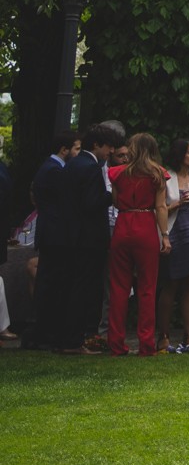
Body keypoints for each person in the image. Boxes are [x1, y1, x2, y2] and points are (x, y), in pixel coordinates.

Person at [51, 123, 123, 353]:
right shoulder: (91, 168)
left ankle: (64, 338)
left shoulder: (73, 165)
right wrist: (110, 196)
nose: (111, 151)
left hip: (71, 236)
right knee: (83, 289)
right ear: (97, 145)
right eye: (109, 146)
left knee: (69, 286)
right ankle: (74, 340)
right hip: (88, 238)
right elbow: (91, 204)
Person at [105, 132, 170, 357]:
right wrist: (165, 235)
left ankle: (116, 342)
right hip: (145, 225)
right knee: (147, 288)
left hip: (123, 223)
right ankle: (146, 343)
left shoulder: (117, 173)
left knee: (119, 287)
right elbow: (161, 207)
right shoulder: (157, 174)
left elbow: (114, 200)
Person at [24, 134, 78, 349]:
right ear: (64, 150)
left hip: (50, 233)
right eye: (76, 149)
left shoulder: (48, 168)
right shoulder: (55, 171)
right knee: (52, 281)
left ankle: (44, 331)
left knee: (49, 280)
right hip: (55, 234)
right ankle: (46, 332)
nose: (78, 153)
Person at [157, 139, 189, 355]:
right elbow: (159, 209)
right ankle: (164, 335)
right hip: (173, 231)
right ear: (180, 155)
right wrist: (177, 203)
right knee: (171, 281)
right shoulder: (166, 177)